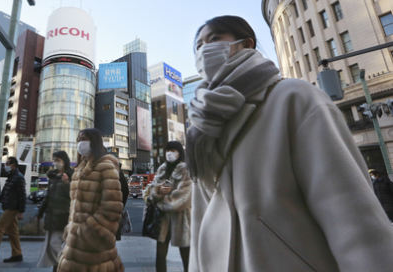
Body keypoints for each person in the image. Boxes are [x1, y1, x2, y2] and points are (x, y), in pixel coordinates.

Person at [187, 15, 393, 271]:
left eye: (214, 39)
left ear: (246, 44)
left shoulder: (294, 98)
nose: (204, 50)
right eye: (199, 46)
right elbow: (200, 222)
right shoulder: (202, 127)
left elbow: (350, 214)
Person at [57, 128, 124, 272]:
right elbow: (75, 207)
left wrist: (88, 230)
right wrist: (71, 230)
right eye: (79, 140)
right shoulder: (79, 169)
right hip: (75, 241)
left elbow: (112, 208)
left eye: (84, 139)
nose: (81, 143)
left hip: (94, 242)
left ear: (95, 142)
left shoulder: (105, 167)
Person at [149, 141, 191, 272]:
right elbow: (151, 190)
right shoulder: (162, 168)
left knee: (186, 254)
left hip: (181, 217)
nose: (169, 153)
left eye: (173, 150)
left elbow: (183, 197)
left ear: (180, 152)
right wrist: (157, 191)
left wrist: (161, 201)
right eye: (167, 150)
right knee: (160, 255)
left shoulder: (186, 169)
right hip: (163, 219)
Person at [36, 151, 73, 271]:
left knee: (56, 245)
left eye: (58, 160)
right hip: (52, 217)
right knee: (54, 246)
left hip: (65, 217)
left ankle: (61, 267)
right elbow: (48, 196)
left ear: (64, 161)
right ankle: (58, 268)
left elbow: (76, 196)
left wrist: (68, 183)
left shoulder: (72, 175)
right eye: (54, 160)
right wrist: (40, 213)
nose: (55, 163)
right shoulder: (53, 177)